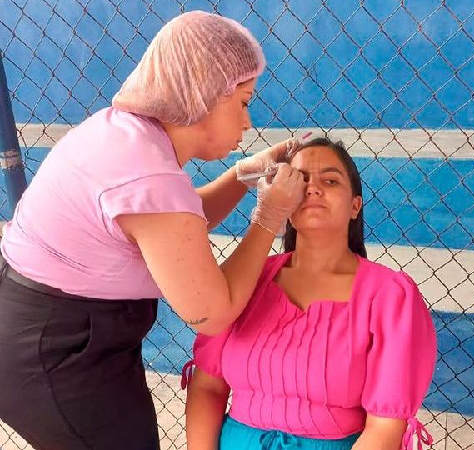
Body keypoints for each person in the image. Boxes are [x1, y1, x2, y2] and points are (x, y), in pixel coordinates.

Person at [0, 11, 307, 450]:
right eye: (242, 101)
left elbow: (174, 227)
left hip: (39, 326)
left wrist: (243, 175)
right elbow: (212, 312)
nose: (248, 122)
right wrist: (269, 218)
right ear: (204, 94)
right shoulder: (148, 175)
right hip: (56, 356)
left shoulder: (124, 134)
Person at [182, 137, 437, 450]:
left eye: (330, 180)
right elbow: (207, 387)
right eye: (299, 180)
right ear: (283, 201)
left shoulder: (390, 297)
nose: (313, 188)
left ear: (355, 205)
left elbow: (383, 430)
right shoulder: (249, 278)